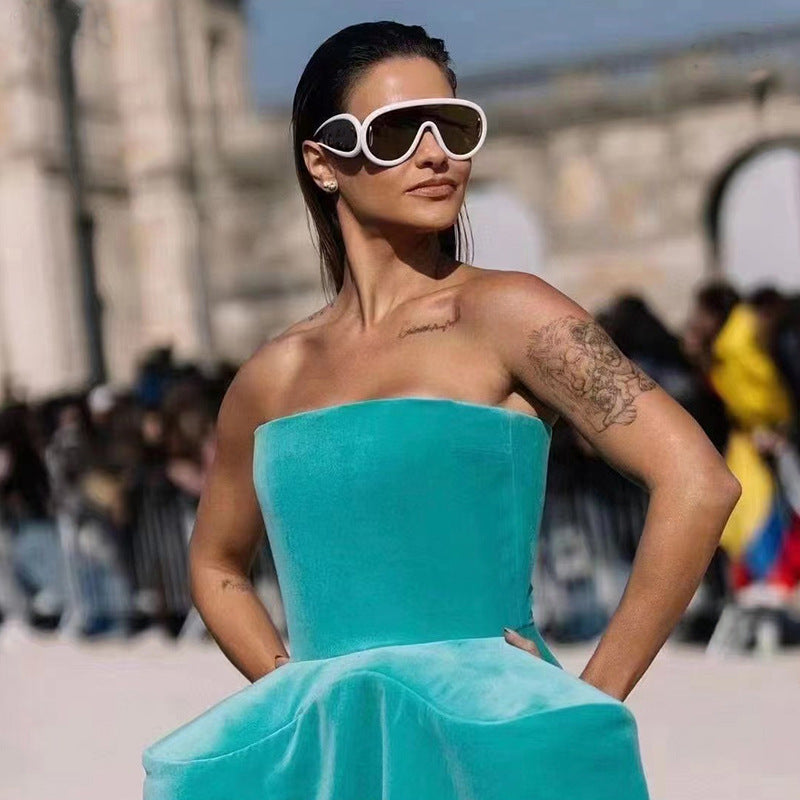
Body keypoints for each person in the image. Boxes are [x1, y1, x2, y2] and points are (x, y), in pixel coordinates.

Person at [141, 21, 741, 800]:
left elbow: (697, 482)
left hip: (495, 748)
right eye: (398, 131)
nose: (436, 154)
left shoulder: (513, 315)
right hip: (336, 764)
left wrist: (589, 698)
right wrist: (293, 691)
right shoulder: (270, 377)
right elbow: (214, 562)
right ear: (322, 161)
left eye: (454, 127)